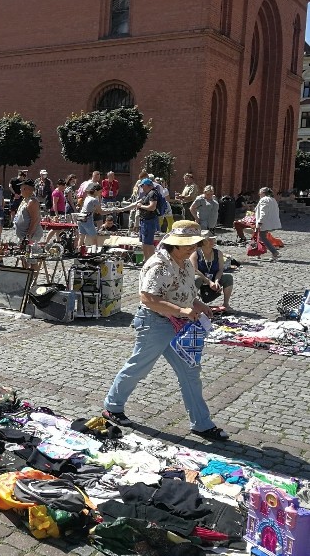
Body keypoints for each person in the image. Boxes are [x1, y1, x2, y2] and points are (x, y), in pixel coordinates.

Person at [102, 220, 228, 441]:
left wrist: (200, 306)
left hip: (179, 325)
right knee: (139, 367)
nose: (194, 247)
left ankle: (202, 423)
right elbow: (149, 299)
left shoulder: (187, 263)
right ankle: (112, 406)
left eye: (196, 243)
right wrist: (182, 310)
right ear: (174, 243)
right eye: (187, 243)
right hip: (155, 323)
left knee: (190, 372)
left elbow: (187, 293)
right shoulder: (159, 264)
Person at [190, 231, 233, 313]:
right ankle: (191, 304)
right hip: (202, 278)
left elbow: (221, 269)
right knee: (197, 278)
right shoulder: (195, 253)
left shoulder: (218, 253)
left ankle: (226, 303)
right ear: (203, 242)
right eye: (209, 240)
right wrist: (209, 282)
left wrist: (216, 281)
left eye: (213, 240)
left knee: (228, 277)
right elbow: (195, 270)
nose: (212, 242)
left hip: (214, 277)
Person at [76, 182, 110, 248]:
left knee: (81, 237)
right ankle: (94, 252)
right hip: (87, 219)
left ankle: (79, 251)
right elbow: (100, 212)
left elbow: (91, 208)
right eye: (100, 192)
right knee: (94, 238)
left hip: (80, 218)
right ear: (96, 191)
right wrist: (111, 210)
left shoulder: (87, 197)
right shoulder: (94, 200)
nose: (100, 194)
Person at [254, 187, 281, 261]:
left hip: (265, 222)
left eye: (260, 193)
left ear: (263, 193)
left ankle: (274, 252)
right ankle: (258, 253)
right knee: (261, 237)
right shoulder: (272, 199)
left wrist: (259, 222)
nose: (259, 194)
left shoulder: (264, 199)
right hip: (269, 222)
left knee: (262, 237)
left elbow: (263, 212)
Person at [13, 179, 43, 243]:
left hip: (31, 236)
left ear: (27, 189)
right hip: (23, 236)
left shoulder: (32, 202)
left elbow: (35, 220)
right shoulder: (25, 199)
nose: (20, 190)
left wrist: (28, 236)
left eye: (22, 188)